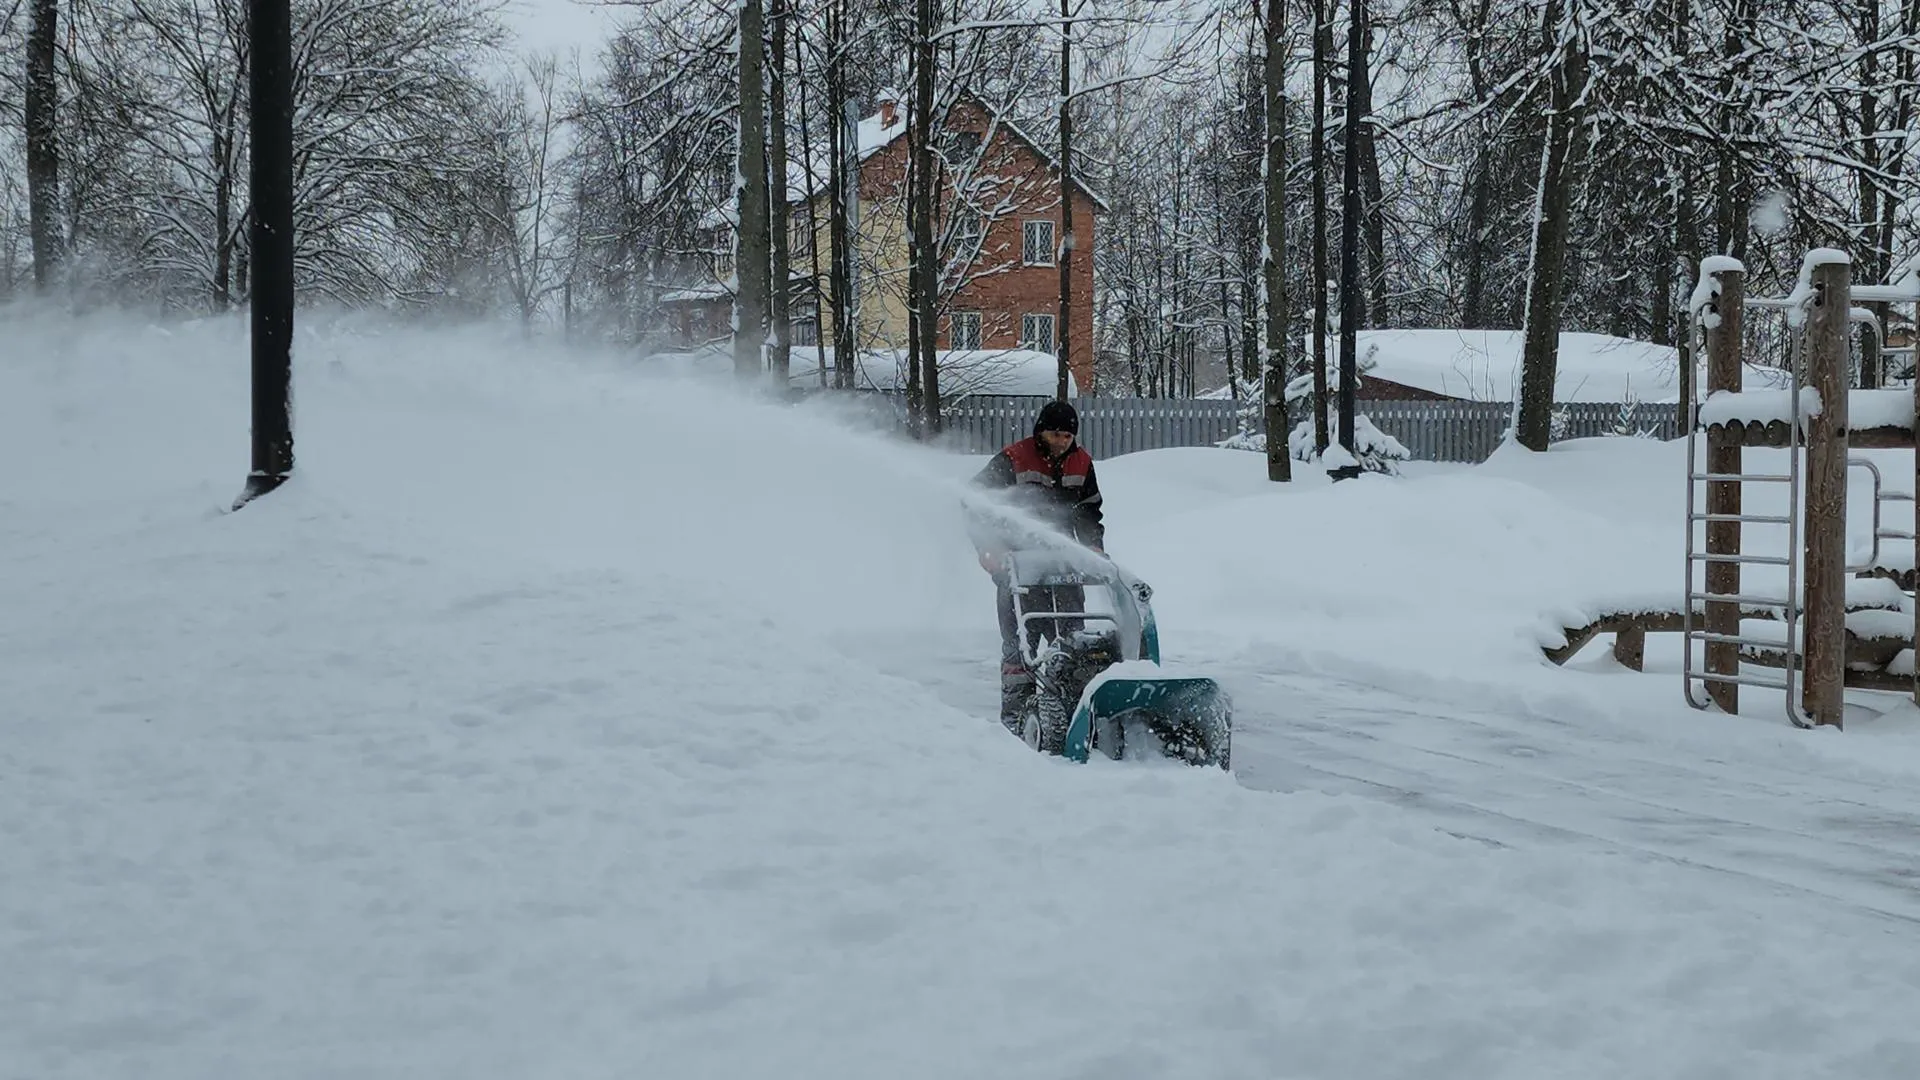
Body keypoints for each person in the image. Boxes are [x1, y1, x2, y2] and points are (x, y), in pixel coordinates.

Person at [966, 399, 1106, 728]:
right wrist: (988, 546)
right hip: (1017, 566)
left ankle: (1069, 714)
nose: (1060, 442)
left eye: (1067, 437)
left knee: (1071, 642)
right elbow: (974, 500)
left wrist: (1093, 546)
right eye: (1054, 434)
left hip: (1064, 566)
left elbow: (1088, 511)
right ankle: (1016, 719)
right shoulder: (1014, 458)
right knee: (1019, 646)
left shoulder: (1082, 462)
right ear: (1041, 431)